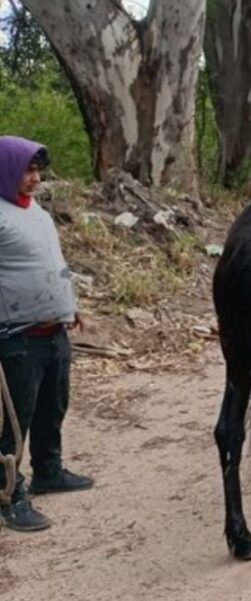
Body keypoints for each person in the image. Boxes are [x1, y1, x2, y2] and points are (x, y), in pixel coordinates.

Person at [0, 136, 93, 532]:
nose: (35, 179)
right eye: (28, 171)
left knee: (53, 406)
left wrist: (69, 306)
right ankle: (9, 492)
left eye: (38, 171)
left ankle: (49, 471)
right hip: (17, 335)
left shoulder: (36, 211)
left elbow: (51, 261)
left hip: (54, 330)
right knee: (16, 419)